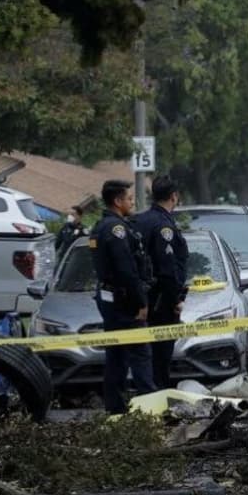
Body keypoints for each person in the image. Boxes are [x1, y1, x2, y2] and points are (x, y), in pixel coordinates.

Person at [90, 179, 155, 413]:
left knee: (116, 355)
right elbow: (126, 269)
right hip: (124, 300)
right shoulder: (116, 229)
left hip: (110, 298)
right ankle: (150, 408)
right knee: (140, 354)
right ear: (117, 201)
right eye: (129, 198)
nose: (132, 202)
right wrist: (141, 302)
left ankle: (115, 409)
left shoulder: (99, 226)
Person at [134, 175, 189, 388]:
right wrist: (175, 299)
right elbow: (167, 268)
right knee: (162, 353)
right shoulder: (164, 226)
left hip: (142, 298)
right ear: (174, 197)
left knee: (143, 354)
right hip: (160, 300)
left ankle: (146, 394)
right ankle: (159, 396)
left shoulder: (139, 221)